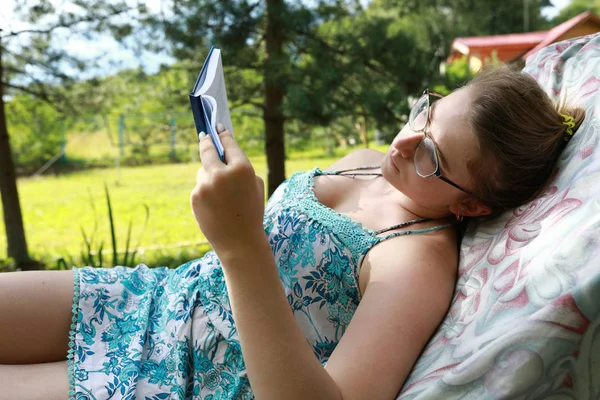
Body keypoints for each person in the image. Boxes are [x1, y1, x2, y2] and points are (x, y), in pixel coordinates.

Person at [0, 64, 586, 400]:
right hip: (158, 296)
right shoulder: (364, 158)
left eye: (432, 155)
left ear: (473, 207)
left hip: (186, 375)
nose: (404, 141)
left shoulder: (415, 263)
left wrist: (240, 245)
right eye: (428, 112)